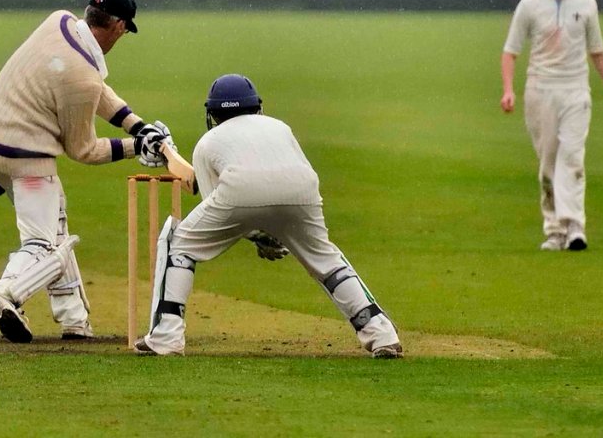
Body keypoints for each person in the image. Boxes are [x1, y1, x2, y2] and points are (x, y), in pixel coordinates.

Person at [135, 74, 403, 358]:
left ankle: (167, 337)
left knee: (180, 244)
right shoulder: (280, 127)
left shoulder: (208, 141)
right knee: (326, 259)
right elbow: (287, 177)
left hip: (239, 191)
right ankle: (381, 333)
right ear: (256, 106)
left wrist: (166, 151)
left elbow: (210, 199)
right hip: (302, 189)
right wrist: (274, 232)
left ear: (212, 113)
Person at [0, 0, 172, 343]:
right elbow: (83, 150)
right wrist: (134, 147)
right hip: (25, 158)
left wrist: (139, 127)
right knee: (44, 246)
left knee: (55, 222)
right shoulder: (81, 77)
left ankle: (74, 321)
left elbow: (94, 89)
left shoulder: (59, 21)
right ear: (119, 26)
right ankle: (7, 292)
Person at [500, 0, 603, 252]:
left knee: (572, 156)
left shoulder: (586, 3)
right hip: (540, 90)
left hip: (575, 88)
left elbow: (597, 51)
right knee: (548, 163)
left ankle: (575, 227)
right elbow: (510, 51)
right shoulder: (530, 6)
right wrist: (508, 89)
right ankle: (554, 230)